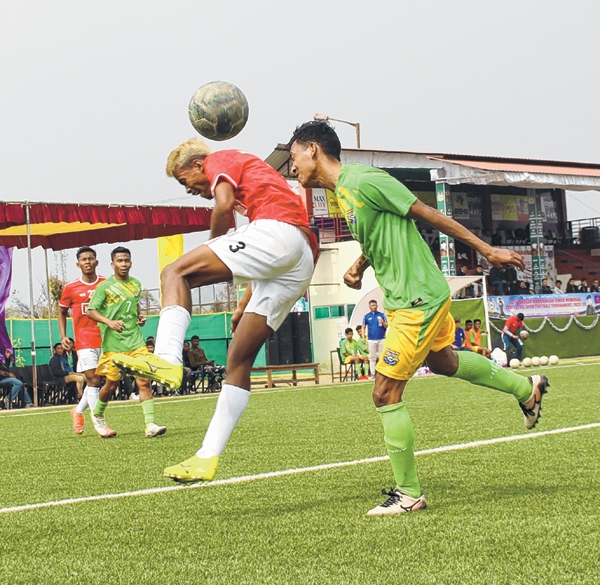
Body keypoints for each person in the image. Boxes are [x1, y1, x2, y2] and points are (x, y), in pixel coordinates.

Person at [288, 120, 548, 516]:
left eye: (294, 157)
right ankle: (526, 389)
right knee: (444, 362)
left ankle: (408, 494)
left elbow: (425, 213)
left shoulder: (364, 180)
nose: (292, 167)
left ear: (313, 149)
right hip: (407, 298)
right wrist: (359, 264)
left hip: (417, 299)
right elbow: (380, 233)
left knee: (384, 392)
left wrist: (486, 250)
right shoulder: (342, 193)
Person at [111, 138, 318, 482]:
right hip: (302, 257)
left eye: (185, 181)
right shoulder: (255, 179)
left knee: (174, 273)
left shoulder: (218, 159)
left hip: (278, 233)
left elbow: (223, 205)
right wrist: (243, 302)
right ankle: (206, 458)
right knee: (238, 358)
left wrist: (212, 248)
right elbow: (269, 257)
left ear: (197, 165)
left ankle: (167, 358)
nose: (188, 189)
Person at [87, 246, 167, 439]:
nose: (124, 264)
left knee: (144, 380)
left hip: (136, 341)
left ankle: (150, 425)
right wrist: (109, 322)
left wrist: (139, 316)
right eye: (120, 261)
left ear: (131, 262)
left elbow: (133, 304)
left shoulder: (136, 284)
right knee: (111, 386)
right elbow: (91, 311)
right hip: (114, 345)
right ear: (112, 264)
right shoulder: (105, 287)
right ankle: (97, 414)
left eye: (127, 260)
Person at [58, 246, 106, 435]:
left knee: (102, 380)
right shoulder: (71, 288)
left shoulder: (106, 283)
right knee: (93, 379)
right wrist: (63, 335)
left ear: (96, 262)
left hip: (106, 338)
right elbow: (62, 312)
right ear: (78, 264)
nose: (87, 262)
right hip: (84, 339)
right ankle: (100, 423)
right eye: (83, 259)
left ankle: (78, 411)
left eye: (90, 258)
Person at [362, 300, 388, 380]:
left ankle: (382, 373)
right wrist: (363, 337)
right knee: (372, 357)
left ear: (377, 306)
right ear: (369, 306)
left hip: (381, 338)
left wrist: (382, 322)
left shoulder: (382, 315)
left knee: (381, 356)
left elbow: (387, 326)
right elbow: (363, 327)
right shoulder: (366, 316)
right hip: (371, 339)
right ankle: (373, 374)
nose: (373, 307)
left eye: (375, 305)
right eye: (372, 305)